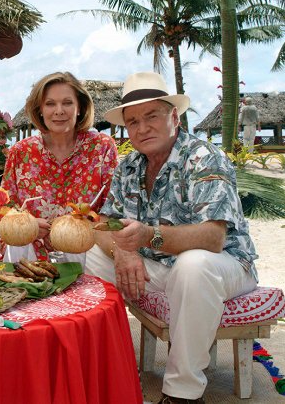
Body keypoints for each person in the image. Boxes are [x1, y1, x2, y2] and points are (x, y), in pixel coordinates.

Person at [85, 72, 258, 404]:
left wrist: (147, 238)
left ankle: (183, 392)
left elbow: (212, 239)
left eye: (152, 116)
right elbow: (102, 225)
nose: (142, 127)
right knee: (89, 254)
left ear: (174, 117)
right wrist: (124, 251)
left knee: (193, 266)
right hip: (162, 267)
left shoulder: (203, 157)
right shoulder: (129, 166)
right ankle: (105, 366)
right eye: (133, 121)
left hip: (225, 267)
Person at [0, 71, 118, 260]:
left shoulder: (102, 147)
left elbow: (114, 210)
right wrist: (27, 224)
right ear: (40, 109)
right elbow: (4, 209)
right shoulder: (20, 152)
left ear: (80, 107)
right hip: (30, 252)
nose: (59, 110)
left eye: (67, 103)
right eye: (50, 104)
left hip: (87, 252)